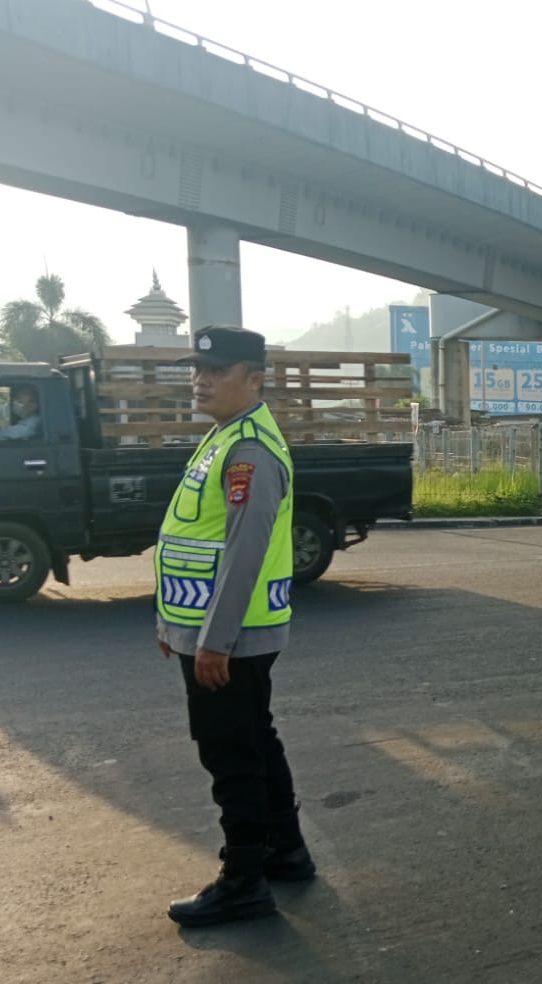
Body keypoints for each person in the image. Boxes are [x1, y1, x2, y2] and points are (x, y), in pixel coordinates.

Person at [157, 325, 313, 927]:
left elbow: (245, 552)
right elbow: (191, 534)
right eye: (197, 370)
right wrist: (169, 619)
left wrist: (213, 642)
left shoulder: (250, 450)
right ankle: (285, 851)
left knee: (230, 752)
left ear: (254, 379)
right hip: (209, 629)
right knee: (254, 738)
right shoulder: (224, 436)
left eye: (216, 371)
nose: (200, 381)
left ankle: (243, 880)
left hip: (230, 636)